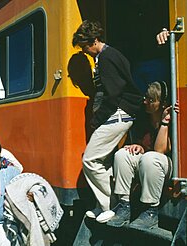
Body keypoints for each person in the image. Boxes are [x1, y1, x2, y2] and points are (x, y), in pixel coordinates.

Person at [72, 20, 143, 223]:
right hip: (122, 113)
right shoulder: (111, 55)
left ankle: (108, 205)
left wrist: (97, 120)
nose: (86, 51)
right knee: (103, 160)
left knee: (90, 159)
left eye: (86, 46)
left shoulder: (106, 58)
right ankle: (102, 204)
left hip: (118, 114)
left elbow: (113, 95)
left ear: (94, 40)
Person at [107, 81, 179, 229]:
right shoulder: (142, 116)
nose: (145, 101)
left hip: (166, 166)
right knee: (122, 155)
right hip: (147, 163)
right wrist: (138, 146)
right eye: (146, 97)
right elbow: (141, 144)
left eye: (151, 100)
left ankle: (150, 211)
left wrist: (165, 122)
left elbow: (160, 150)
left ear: (162, 103)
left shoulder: (173, 120)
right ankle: (124, 206)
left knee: (150, 158)